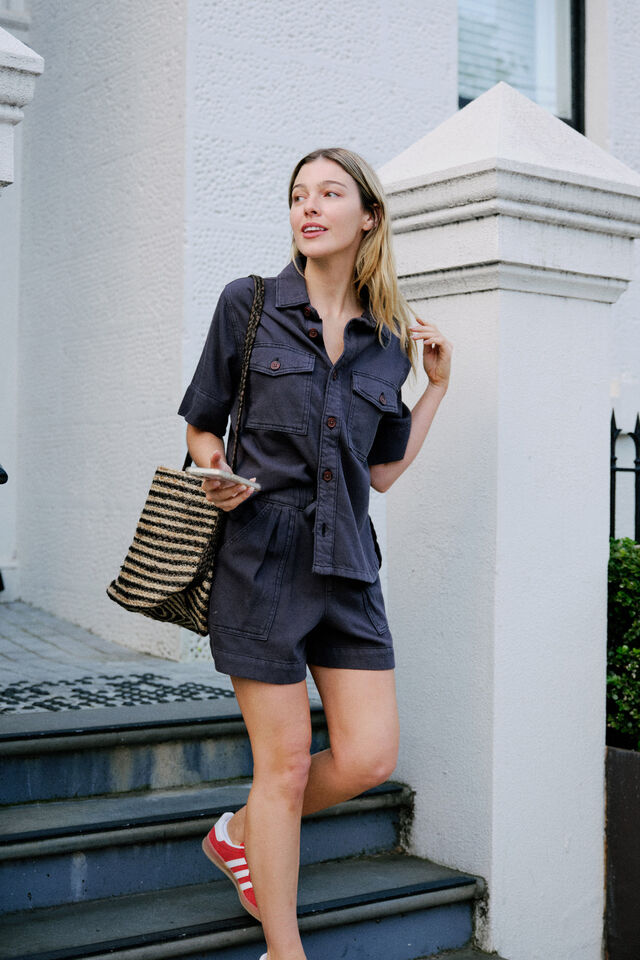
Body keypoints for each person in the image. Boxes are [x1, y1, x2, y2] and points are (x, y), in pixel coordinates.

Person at [178, 146, 452, 960]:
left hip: (350, 566)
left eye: (330, 192)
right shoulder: (250, 305)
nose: (310, 205)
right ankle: (285, 949)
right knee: (287, 763)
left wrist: (436, 387)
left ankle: (238, 834)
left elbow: (382, 473)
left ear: (368, 215)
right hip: (262, 555)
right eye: (300, 193)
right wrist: (214, 472)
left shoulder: (388, 342)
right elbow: (202, 422)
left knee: (368, 755)